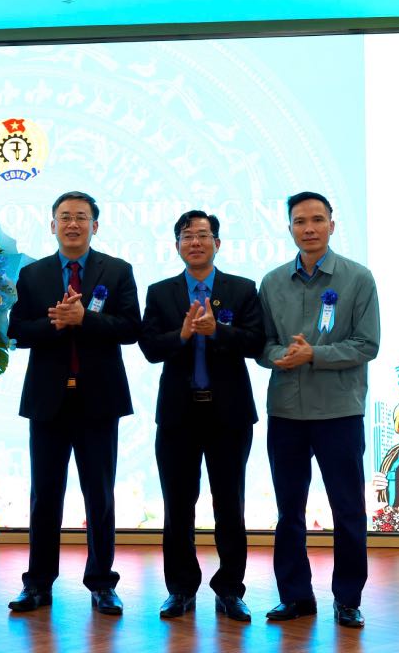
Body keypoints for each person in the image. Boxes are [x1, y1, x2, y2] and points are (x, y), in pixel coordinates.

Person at [6, 191, 141, 615]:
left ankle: (102, 582)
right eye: (64, 217)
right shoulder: (33, 274)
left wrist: (86, 319)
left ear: (95, 226)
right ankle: (38, 584)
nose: (73, 224)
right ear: (52, 225)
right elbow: (17, 331)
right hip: (48, 400)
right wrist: (56, 322)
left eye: (82, 217)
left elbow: (131, 327)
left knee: (99, 496)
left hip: (99, 400)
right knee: (44, 495)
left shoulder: (117, 271)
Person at [257, 191, 379, 629]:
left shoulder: (357, 278)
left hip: (339, 413)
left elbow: (368, 344)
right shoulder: (271, 282)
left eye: (317, 220)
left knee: (347, 509)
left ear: (332, 224)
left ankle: (348, 598)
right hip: (286, 412)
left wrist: (314, 356)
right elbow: (263, 344)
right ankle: (295, 597)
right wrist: (278, 356)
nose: (308, 228)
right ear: (289, 227)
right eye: (299, 221)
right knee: (289, 510)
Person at [139, 210, 264, 621]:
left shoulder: (242, 289)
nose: (196, 242)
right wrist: (184, 335)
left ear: (218, 243)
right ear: (177, 245)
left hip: (228, 415)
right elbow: (150, 347)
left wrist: (217, 332)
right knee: (178, 505)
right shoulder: (161, 293)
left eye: (203, 235)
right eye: (187, 236)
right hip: (178, 415)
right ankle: (181, 589)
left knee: (230, 504)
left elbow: (256, 342)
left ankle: (230, 589)